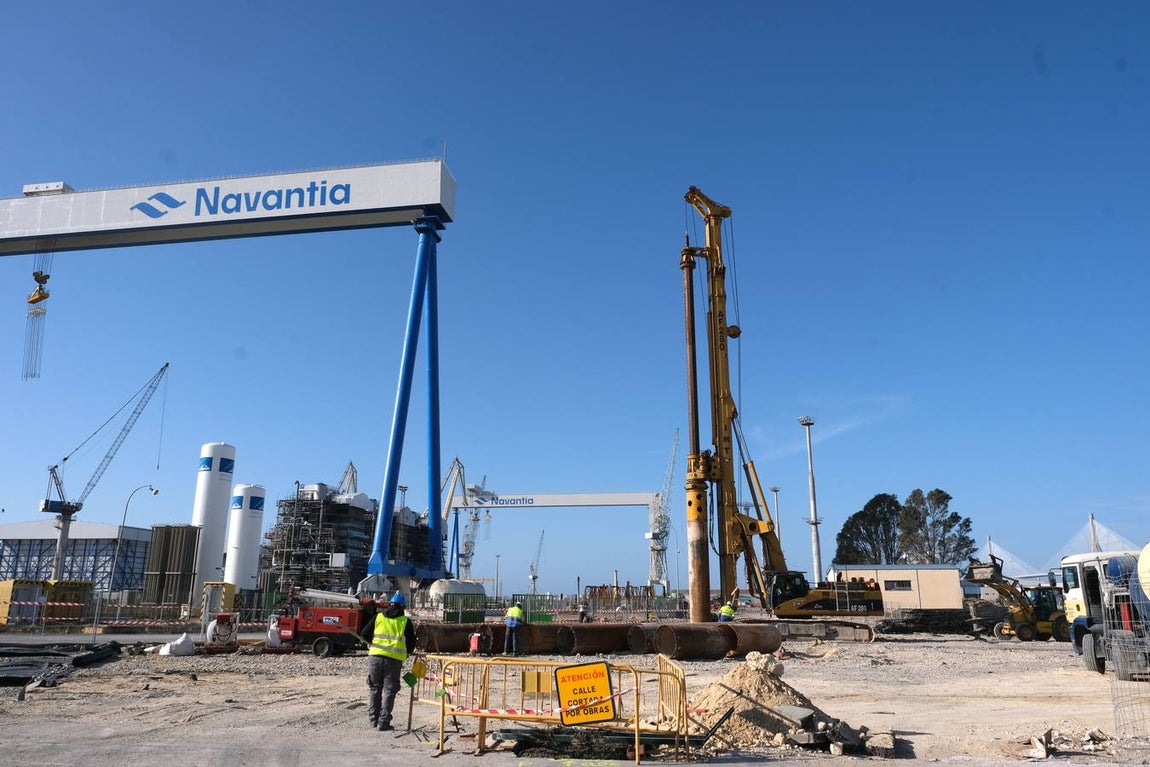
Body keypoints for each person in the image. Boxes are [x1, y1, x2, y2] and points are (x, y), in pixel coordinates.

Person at [361, 591, 416, 731]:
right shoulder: (405, 621)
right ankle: (383, 722)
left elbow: (364, 634)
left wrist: (372, 644)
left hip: (375, 658)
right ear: (403, 607)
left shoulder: (379, 617)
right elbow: (411, 643)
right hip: (393, 661)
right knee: (389, 690)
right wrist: (406, 652)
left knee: (375, 687)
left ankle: (373, 719)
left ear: (389, 605)